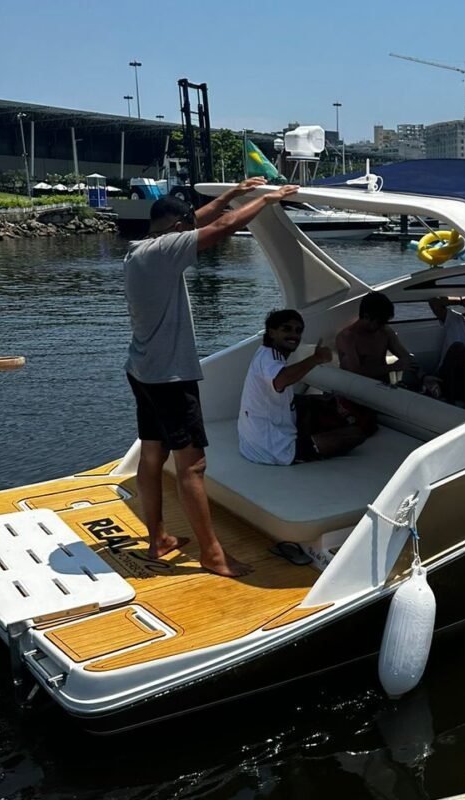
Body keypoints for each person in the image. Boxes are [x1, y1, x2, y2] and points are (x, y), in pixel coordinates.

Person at [124, 177, 299, 577]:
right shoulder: (167, 249)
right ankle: (213, 555)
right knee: (193, 466)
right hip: (170, 377)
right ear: (176, 230)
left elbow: (197, 222)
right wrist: (268, 200)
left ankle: (159, 539)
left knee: (153, 455)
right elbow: (220, 228)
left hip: (142, 370)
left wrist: (230, 195)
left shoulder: (140, 250)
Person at [239, 309, 366, 466]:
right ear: (272, 332)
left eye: (298, 331)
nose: (294, 335)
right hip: (275, 450)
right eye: (287, 329)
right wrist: (316, 359)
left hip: (253, 443)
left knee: (311, 403)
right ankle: (308, 449)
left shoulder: (264, 352)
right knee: (356, 434)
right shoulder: (269, 358)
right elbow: (280, 380)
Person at [335, 291, 416, 384]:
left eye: (385, 322)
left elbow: (406, 357)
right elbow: (354, 372)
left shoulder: (385, 331)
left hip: (382, 388)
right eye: (380, 322)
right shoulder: (347, 338)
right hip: (356, 389)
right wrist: (392, 367)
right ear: (366, 317)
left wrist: (424, 376)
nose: (382, 326)